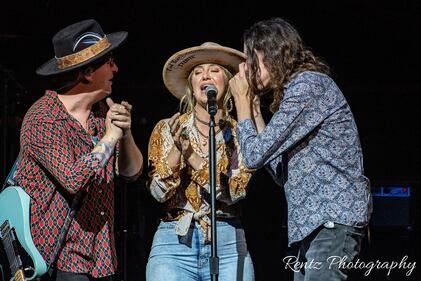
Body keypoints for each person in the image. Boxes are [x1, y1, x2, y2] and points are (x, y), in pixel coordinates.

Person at [229, 18, 372, 281]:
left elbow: (252, 156)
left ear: (270, 52)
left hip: (331, 219)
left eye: (251, 59)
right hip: (311, 227)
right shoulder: (300, 90)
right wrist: (253, 110)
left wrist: (240, 102)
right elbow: (278, 171)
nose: (246, 69)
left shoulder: (309, 85)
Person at [15, 19, 143, 281]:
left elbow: (132, 173)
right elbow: (73, 179)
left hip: (100, 258)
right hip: (58, 258)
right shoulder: (43, 117)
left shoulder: (100, 117)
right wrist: (109, 137)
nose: (116, 69)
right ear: (87, 72)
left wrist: (125, 133)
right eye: (109, 62)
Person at [146, 42, 255, 281]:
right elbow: (158, 193)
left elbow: (236, 192)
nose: (205, 75)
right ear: (191, 85)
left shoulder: (239, 133)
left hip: (227, 242)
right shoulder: (167, 127)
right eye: (197, 71)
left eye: (214, 70)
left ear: (227, 81)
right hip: (174, 242)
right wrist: (177, 150)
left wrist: (192, 157)